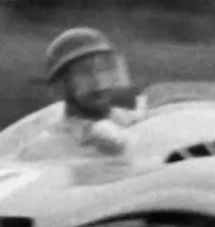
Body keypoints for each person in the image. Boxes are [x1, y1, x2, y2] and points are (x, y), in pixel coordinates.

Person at [40, 25, 141, 154]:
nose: (99, 81)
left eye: (104, 69)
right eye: (84, 72)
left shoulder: (130, 118)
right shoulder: (50, 147)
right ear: (60, 87)